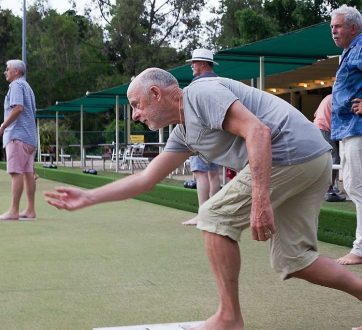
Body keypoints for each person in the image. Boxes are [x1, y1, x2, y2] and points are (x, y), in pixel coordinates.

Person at [46, 68, 362, 330]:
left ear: (156, 94)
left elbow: (258, 132)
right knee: (295, 260)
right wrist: (89, 196)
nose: (135, 114)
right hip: (314, 160)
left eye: (137, 104)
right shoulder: (184, 132)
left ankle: (228, 318)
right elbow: (146, 178)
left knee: (213, 216)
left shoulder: (201, 94)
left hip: (289, 154)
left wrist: (261, 200)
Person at [330, 5, 362, 266]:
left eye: (338, 26)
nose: (333, 31)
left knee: (356, 186)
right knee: (353, 185)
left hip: (357, 128)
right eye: (332, 27)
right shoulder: (349, 52)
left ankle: (360, 248)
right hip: (348, 128)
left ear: (354, 27)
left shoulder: (361, 47)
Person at [0, 59, 37, 220]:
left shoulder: (16, 85)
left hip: (17, 136)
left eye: (7, 69)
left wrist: (3, 126)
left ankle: (13, 211)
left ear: (16, 72)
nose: (5, 71)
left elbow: (18, 108)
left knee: (16, 172)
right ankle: (30, 210)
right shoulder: (28, 87)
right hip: (30, 138)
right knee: (28, 173)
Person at [183, 48, 221, 225]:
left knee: (200, 174)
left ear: (204, 64)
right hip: (219, 136)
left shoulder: (195, 85)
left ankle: (203, 215)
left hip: (201, 135)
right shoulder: (219, 82)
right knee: (213, 173)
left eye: (194, 62)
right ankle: (213, 213)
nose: (192, 66)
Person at [313, 94, 345, 202]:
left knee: (327, 159)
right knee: (335, 158)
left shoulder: (327, 97)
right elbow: (340, 118)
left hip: (317, 128)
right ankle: (329, 189)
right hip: (324, 129)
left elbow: (315, 113)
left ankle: (329, 187)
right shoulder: (338, 98)